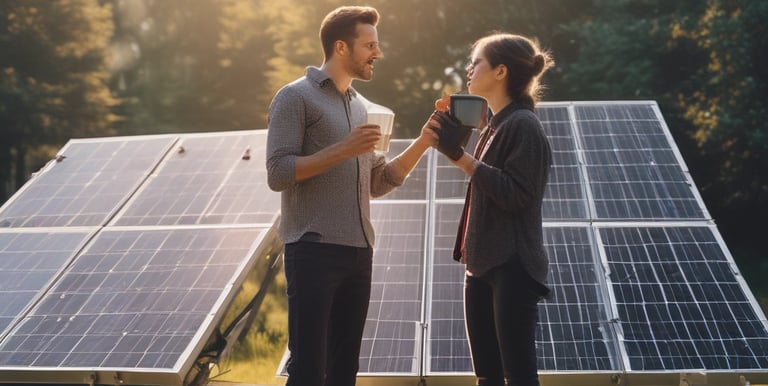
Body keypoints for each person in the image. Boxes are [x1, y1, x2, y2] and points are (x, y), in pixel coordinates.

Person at [265, 6, 436, 386]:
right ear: (341, 47)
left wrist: (423, 142)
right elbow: (278, 173)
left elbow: (378, 182)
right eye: (370, 45)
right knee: (309, 370)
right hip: (313, 249)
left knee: (344, 371)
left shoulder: (362, 108)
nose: (378, 53)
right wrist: (343, 149)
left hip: (359, 252)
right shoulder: (294, 97)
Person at [428, 33, 554, 386]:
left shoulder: (524, 125)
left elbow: (518, 195)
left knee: (519, 377)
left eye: (476, 62)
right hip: (482, 264)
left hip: (512, 265)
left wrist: (460, 157)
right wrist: (458, 148)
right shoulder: (494, 126)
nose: (469, 69)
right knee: (488, 377)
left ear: (500, 71)